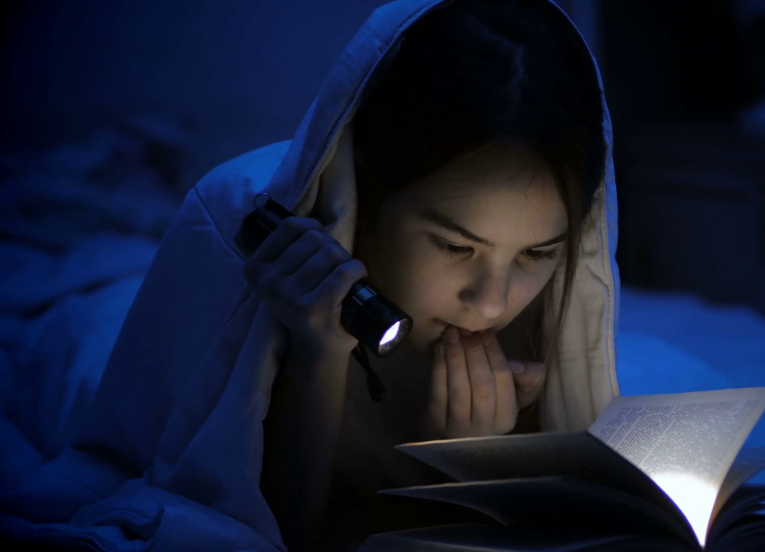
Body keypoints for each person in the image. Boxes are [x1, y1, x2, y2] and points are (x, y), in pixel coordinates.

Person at [0, 1, 621, 551]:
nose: (491, 304)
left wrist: (475, 462)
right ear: (370, 197)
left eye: (538, 255)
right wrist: (319, 349)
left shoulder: (552, 316)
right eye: (456, 246)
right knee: (66, 324)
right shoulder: (246, 216)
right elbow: (268, 529)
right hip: (99, 325)